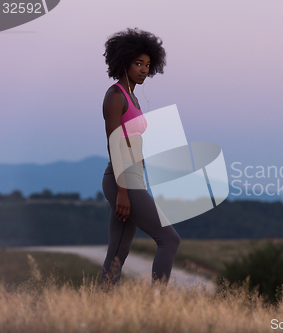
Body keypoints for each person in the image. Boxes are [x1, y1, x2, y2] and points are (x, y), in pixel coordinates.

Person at [101, 28, 181, 289]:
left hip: (133, 177)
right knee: (169, 239)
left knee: (118, 252)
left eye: (147, 65)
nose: (144, 69)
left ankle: (101, 307)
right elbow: (114, 145)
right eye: (138, 64)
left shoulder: (132, 97)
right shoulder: (115, 97)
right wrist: (123, 190)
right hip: (122, 179)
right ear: (123, 62)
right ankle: (156, 304)